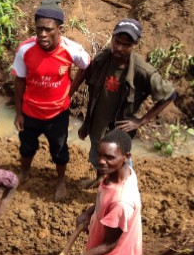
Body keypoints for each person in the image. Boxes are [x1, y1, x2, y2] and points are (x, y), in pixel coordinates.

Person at [48, 129, 142, 255]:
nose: (101, 161)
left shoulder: (123, 201)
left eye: (109, 157)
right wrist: (90, 211)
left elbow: (109, 245)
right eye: (100, 154)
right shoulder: (116, 173)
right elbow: (104, 196)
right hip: (106, 242)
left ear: (127, 157)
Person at [71, 18, 176, 186]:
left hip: (117, 132)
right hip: (98, 126)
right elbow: (87, 75)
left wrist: (141, 121)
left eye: (126, 44)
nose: (119, 48)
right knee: (98, 158)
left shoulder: (142, 70)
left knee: (119, 166)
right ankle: (100, 181)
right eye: (116, 42)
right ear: (112, 38)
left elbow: (169, 95)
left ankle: (121, 194)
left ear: (135, 44)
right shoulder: (103, 59)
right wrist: (86, 123)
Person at [12, 0, 90, 202]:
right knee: (27, 147)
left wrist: (70, 91)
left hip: (57, 114)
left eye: (48, 29)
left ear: (59, 29)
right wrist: (18, 112)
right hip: (30, 112)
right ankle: (24, 173)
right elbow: (19, 80)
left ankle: (61, 180)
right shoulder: (25, 49)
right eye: (39, 29)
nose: (43, 34)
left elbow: (85, 66)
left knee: (60, 150)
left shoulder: (72, 50)